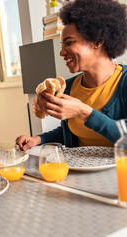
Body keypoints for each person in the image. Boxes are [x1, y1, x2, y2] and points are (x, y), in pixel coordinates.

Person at [16, 0, 127, 151]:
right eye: (62, 45)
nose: (61, 52)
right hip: (78, 171)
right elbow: (71, 131)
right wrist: (38, 139)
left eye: (69, 43)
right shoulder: (67, 87)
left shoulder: (124, 82)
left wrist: (85, 112)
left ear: (97, 40)